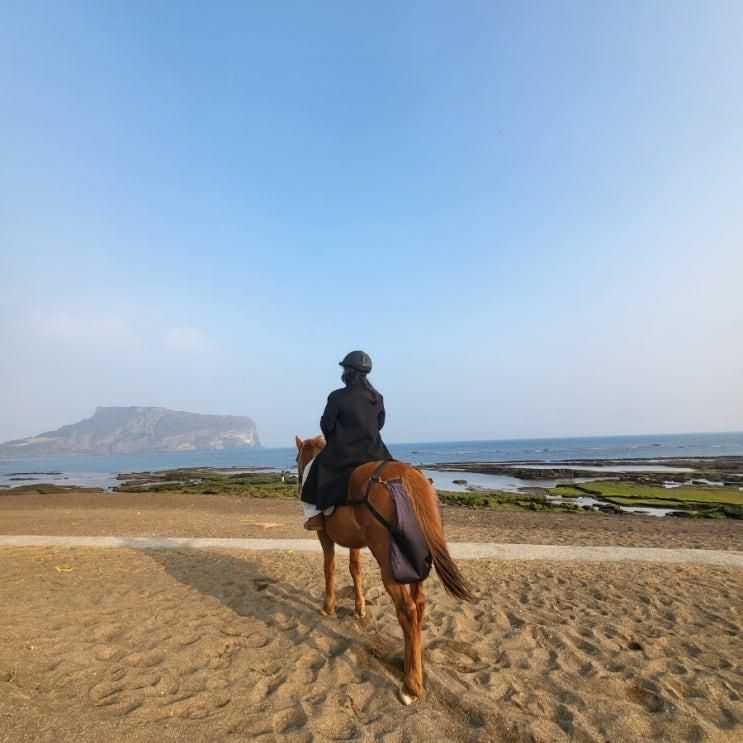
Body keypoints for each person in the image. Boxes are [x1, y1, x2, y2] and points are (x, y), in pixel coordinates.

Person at [301, 350, 391, 530]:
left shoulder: (337, 396)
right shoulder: (377, 397)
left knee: (310, 469)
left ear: (349, 371)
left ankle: (315, 516)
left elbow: (326, 426)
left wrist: (338, 437)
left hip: (343, 453)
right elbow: (379, 424)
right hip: (375, 452)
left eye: (344, 369)